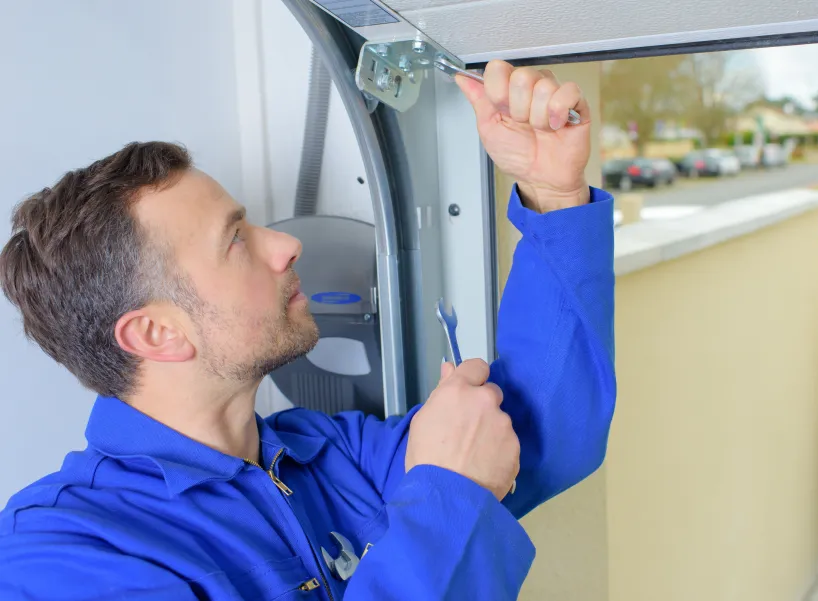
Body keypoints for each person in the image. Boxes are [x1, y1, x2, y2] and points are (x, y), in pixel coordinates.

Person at [0, 60, 616, 600]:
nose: (287, 244)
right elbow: (460, 484)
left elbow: (541, 431)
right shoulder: (64, 554)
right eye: (236, 240)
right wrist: (448, 495)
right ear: (158, 333)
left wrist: (551, 192)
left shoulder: (326, 456)